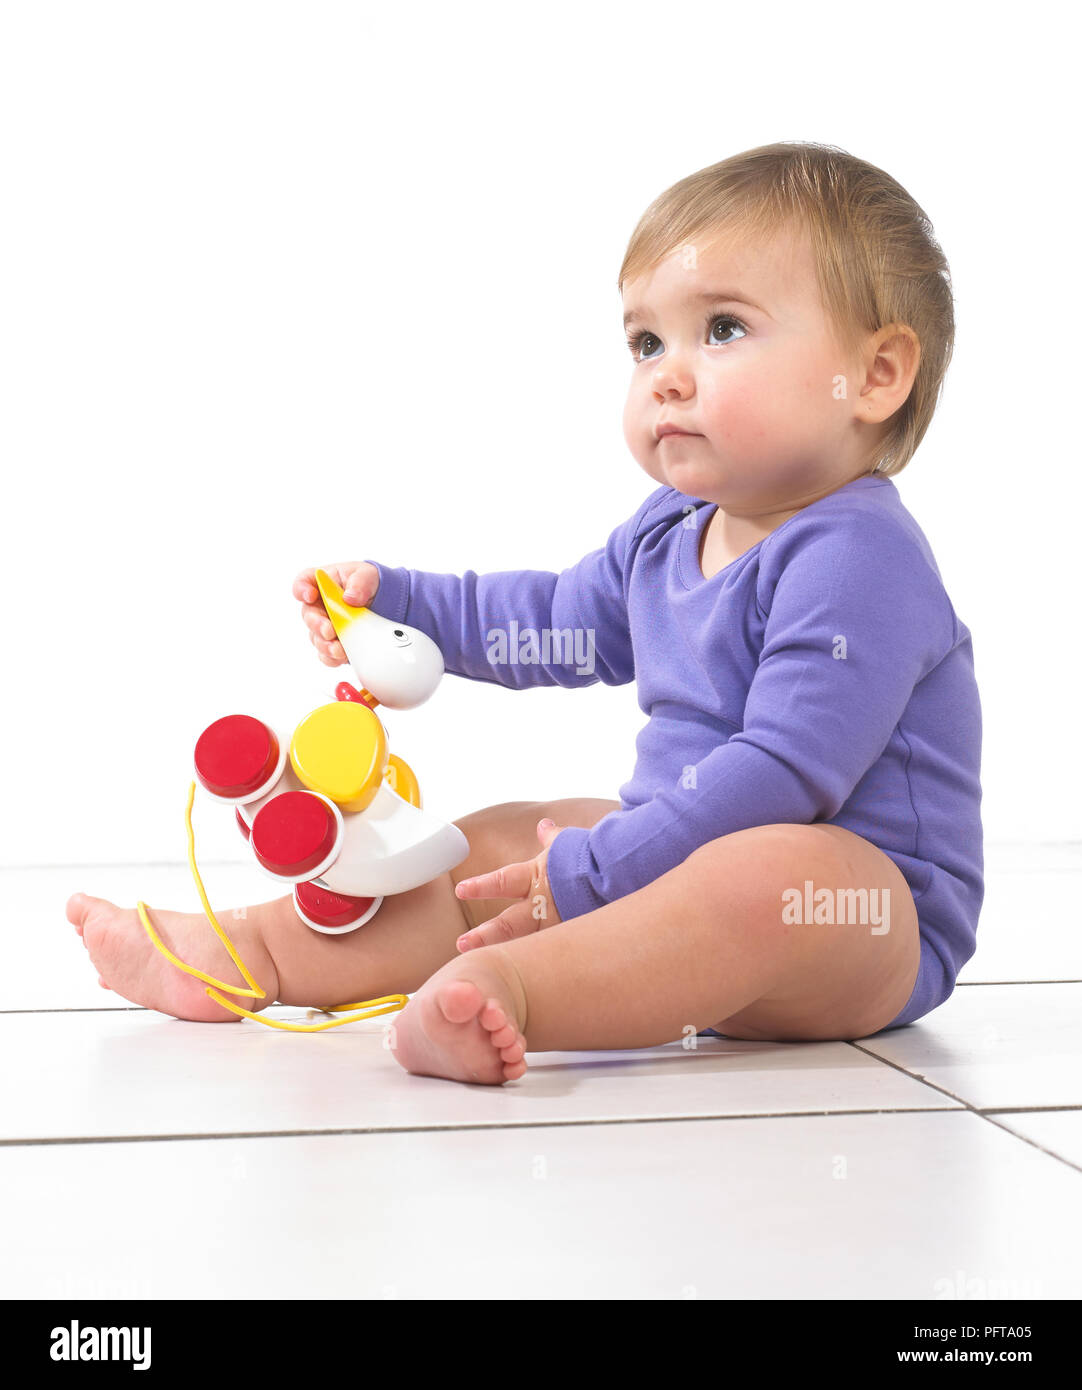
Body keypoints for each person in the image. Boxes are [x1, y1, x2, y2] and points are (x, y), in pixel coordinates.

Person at [67, 141, 983, 1087]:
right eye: (645, 343)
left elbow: (784, 773)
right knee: (512, 836)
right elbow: (558, 624)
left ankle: (514, 993)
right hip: (686, 856)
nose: (666, 374)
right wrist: (409, 606)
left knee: (766, 874)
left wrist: (606, 867)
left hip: (864, 920)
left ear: (874, 376)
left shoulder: (858, 558)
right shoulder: (672, 529)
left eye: (721, 330)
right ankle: (253, 955)